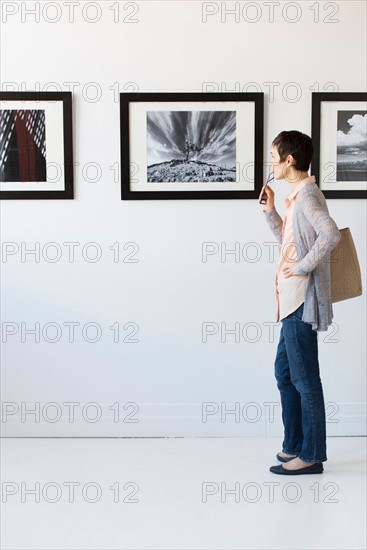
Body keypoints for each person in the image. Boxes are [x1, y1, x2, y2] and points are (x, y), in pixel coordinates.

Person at [259, 130, 341, 475]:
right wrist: (271, 212)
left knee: (305, 380)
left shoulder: (307, 195)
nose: (271, 162)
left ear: (288, 160)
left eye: (274, 155)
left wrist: (303, 267)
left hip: (300, 303)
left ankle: (311, 455)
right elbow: (288, 243)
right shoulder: (296, 196)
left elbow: (331, 235)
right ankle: (294, 444)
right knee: (285, 373)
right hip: (290, 302)